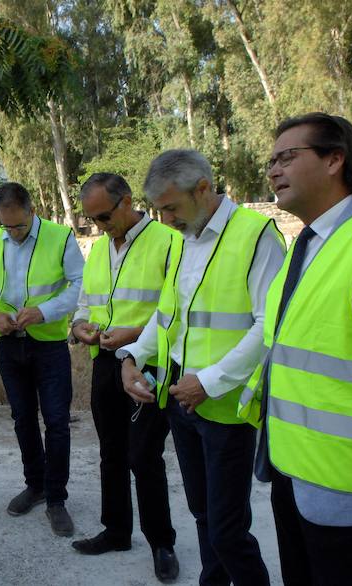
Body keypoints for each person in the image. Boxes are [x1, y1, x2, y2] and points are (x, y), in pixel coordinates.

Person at [239, 113, 352, 586]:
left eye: (287, 157)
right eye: (271, 160)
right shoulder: (305, 245)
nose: (274, 170)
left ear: (336, 159)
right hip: (292, 469)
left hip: (350, 482)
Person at [118, 149, 285, 586]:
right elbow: (168, 316)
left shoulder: (256, 235)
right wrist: (133, 356)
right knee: (203, 514)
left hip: (226, 406)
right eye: (160, 210)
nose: (166, 219)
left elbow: (269, 325)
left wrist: (208, 383)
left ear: (204, 189)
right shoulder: (181, 240)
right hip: (182, 401)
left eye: (172, 207)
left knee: (228, 530)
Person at [69, 173, 180, 581]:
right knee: (111, 452)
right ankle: (116, 530)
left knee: (143, 456)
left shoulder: (168, 242)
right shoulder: (98, 250)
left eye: (104, 215)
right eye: (92, 218)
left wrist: (136, 335)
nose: (99, 225)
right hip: (105, 363)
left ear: (127, 200)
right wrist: (80, 327)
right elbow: (85, 303)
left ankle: (161, 542)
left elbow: (177, 308)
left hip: (148, 364)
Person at [0, 182, 84, 537]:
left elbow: (79, 284)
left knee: (57, 422)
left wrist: (45, 311)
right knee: (22, 418)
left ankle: (56, 499)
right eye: (6, 226)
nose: (13, 233)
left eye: (19, 225)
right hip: (8, 345)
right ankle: (35, 485)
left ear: (32, 212)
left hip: (48, 346)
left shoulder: (60, 237)